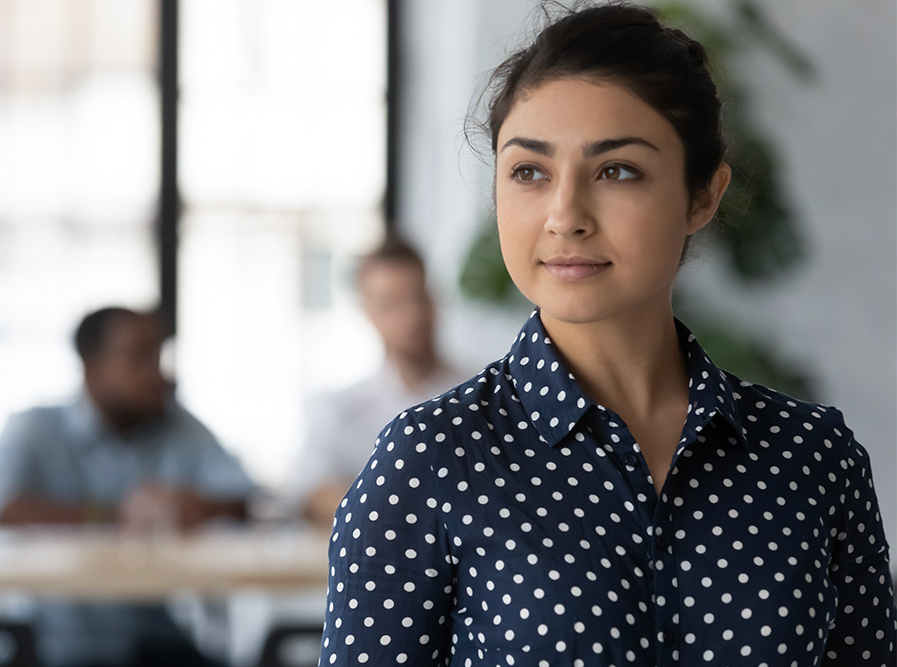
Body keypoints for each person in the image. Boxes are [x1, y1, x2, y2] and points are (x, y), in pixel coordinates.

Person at [318, 4, 896, 666]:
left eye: (616, 170)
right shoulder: (427, 463)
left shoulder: (815, 460)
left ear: (702, 196)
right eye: (529, 171)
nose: (565, 215)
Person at [0, 306, 256, 667]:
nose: (158, 373)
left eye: (159, 356)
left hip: (159, 640)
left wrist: (204, 507)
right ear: (92, 368)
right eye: (139, 357)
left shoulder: (180, 426)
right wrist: (116, 515)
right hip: (57, 646)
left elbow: (250, 500)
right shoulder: (36, 428)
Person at [292, 235, 467, 525]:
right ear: (369, 313)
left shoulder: (482, 396)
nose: (411, 315)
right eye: (390, 304)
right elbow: (309, 492)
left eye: (417, 297)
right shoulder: (340, 408)